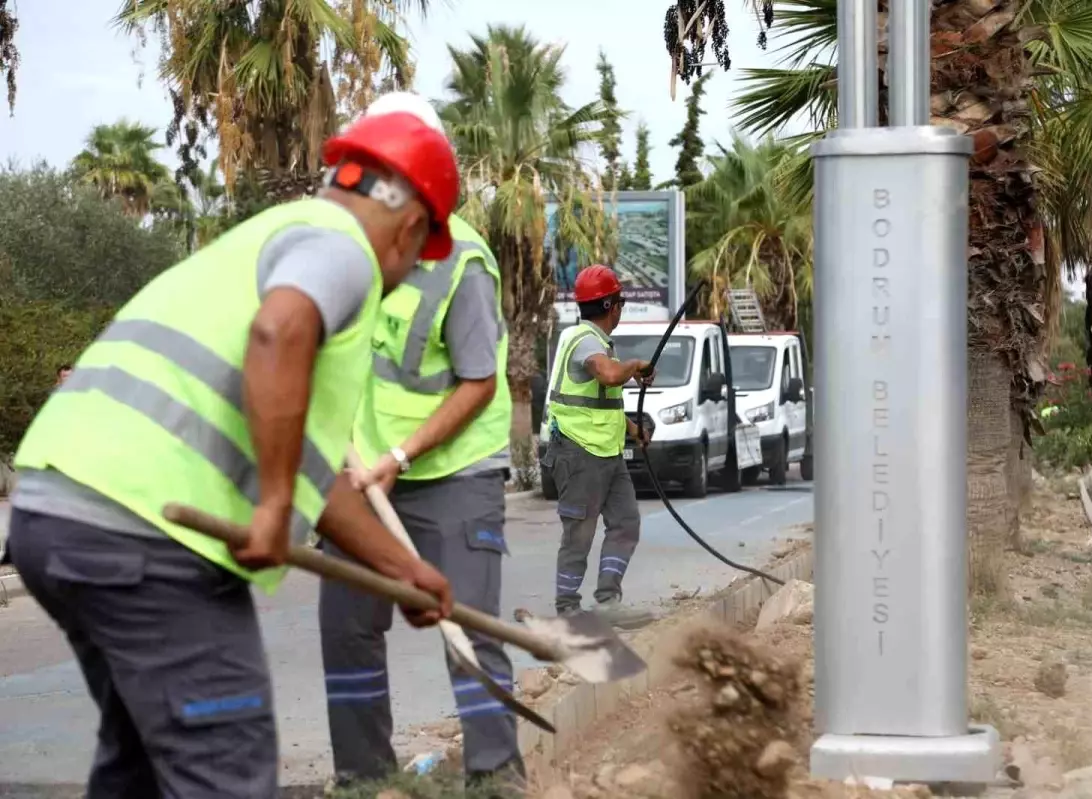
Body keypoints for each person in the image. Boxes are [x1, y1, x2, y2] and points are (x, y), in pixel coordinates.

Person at [4, 107, 461, 799]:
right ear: (409, 228)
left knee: (142, 769)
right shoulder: (342, 249)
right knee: (227, 766)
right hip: (147, 533)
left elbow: (312, 473)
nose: (404, 277)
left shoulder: (260, 242)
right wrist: (273, 503)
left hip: (55, 509)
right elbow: (278, 333)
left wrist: (404, 569)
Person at [318, 91, 525, 793]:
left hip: (453, 472)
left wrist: (398, 457)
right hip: (359, 471)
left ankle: (496, 776)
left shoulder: (460, 261)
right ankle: (362, 778)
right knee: (346, 628)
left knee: (466, 630)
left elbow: (477, 382)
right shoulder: (341, 245)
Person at [543, 265, 658, 630]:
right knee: (579, 533)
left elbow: (602, 402)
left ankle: (608, 600)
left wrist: (633, 429)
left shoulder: (596, 342)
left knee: (625, 523)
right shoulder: (585, 341)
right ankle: (568, 609)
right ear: (612, 306)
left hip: (606, 452)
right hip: (579, 454)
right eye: (620, 302)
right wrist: (635, 365)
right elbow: (608, 375)